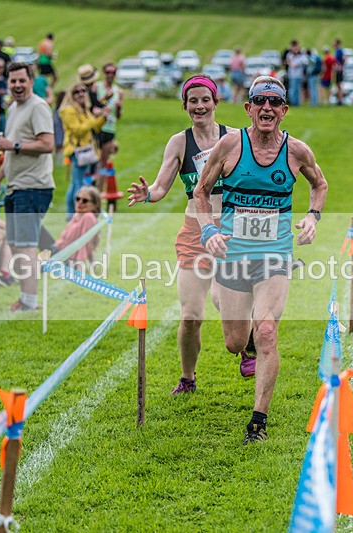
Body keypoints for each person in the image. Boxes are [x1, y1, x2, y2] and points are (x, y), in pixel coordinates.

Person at [194, 76, 328, 444]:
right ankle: (245, 342)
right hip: (234, 254)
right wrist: (209, 231)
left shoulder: (297, 151)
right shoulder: (230, 144)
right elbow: (201, 191)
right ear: (248, 108)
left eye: (274, 102)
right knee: (235, 342)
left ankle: (258, 421)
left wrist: (312, 217)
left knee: (266, 329)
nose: (266, 108)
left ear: (284, 111)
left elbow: (320, 184)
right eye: (259, 101)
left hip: (275, 254)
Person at [126, 75, 249, 395]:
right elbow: (162, 186)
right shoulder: (179, 143)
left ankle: (246, 341)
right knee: (191, 314)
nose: (199, 106)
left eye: (205, 100)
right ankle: (188, 378)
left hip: (230, 232)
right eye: (192, 101)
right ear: (185, 106)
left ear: (215, 102)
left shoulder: (235, 138)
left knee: (224, 299)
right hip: (195, 232)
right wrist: (147, 194)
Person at [0, 62, 55, 312]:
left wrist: (14, 145)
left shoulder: (38, 107)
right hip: (15, 186)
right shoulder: (14, 108)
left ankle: (29, 301)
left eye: (21, 81)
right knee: (16, 243)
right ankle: (25, 297)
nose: (17, 85)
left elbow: (47, 144)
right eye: (12, 81)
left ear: (30, 81)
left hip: (34, 186)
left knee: (26, 244)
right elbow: (9, 150)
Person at [59, 81, 106, 220]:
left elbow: (95, 128)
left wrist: (102, 116)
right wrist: (94, 119)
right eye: (76, 91)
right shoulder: (69, 110)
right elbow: (78, 130)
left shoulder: (84, 108)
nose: (80, 94)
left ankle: (72, 214)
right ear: (71, 95)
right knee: (80, 184)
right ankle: (77, 214)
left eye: (83, 91)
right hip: (77, 151)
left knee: (76, 183)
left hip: (86, 150)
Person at [55, 185, 101, 266]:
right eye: (78, 199)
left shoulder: (88, 217)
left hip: (66, 258)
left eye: (85, 201)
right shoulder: (78, 214)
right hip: (58, 251)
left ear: (94, 204)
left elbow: (85, 243)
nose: (80, 202)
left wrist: (79, 266)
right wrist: (93, 263)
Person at [95, 62, 123, 178]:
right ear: (104, 73)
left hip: (110, 128)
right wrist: (105, 99)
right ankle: (90, 188)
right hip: (97, 127)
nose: (110, 75)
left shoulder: (119, 91)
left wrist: (119, 108)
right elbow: (94, 106)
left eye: (113, 72)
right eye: (108, 72)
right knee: (95, 160)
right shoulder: (97, 87)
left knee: (104, 162)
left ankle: (100, 192)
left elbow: (119, 116)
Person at [285, 40, 305, 106]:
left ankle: (296, 102)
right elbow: (289, 63)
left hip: (298, 75)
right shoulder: (290, 55)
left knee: (297, 89)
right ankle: (292, 102)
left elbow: (302, 62)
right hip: (292, 75)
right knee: (292, 89)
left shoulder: (301, 55)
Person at [333, 38, 345, 105]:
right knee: (338, 85)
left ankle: (340, 100)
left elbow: (344, 58)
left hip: (339, 71)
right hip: (337, 70)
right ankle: (339, 100)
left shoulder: (340, 50)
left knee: (339, 85)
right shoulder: (337, 51)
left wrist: (341, 66)